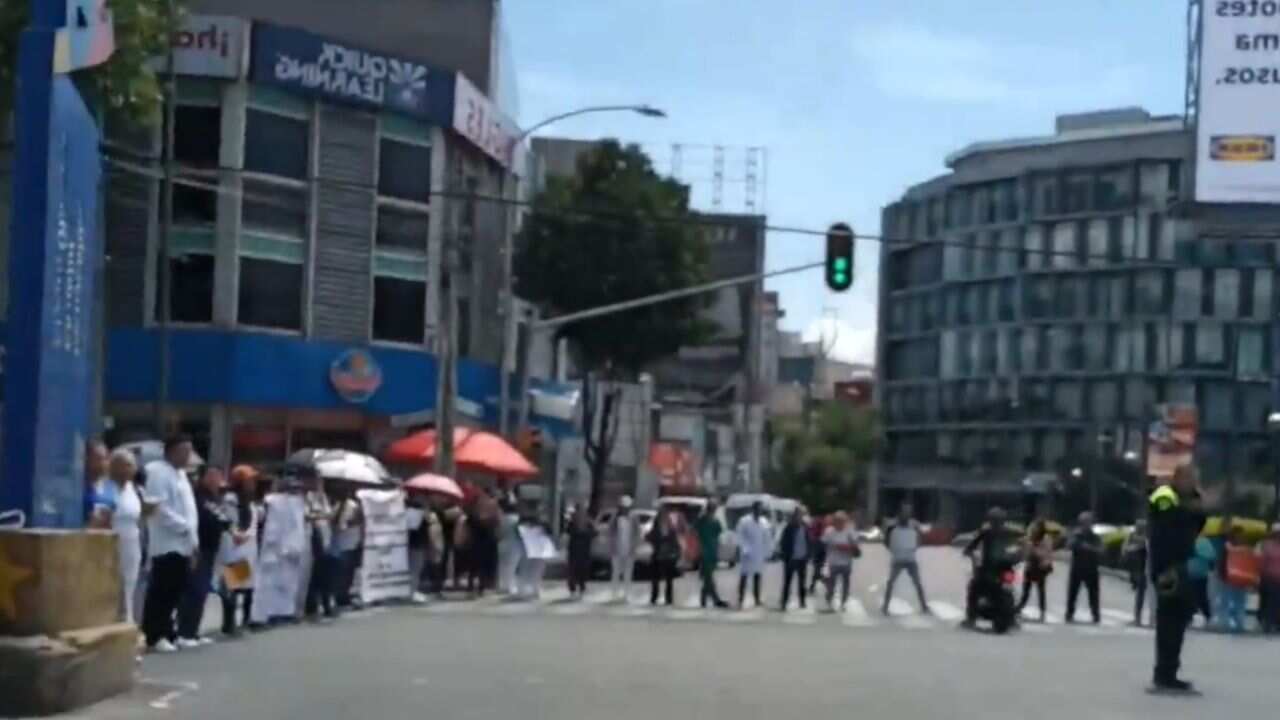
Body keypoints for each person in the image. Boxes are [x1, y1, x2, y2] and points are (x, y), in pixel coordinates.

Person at [1148, 464, 1210, 693]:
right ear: (1178, 478)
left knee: (1180, 619)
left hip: (1181, 564)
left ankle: (1170, 672)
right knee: (1168, 622)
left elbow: (1199, 521)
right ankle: (1163, 674)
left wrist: (1196, 500)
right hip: (1166, 566)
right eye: (1190, 479)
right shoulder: (1164, 494)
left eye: (1196, 479)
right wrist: (1192, 505)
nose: (1193, 483)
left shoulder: (1189, 500)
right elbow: (1170, 517)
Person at [140, 435, 199, 653]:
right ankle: (154, 634)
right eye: (184, 451)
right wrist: (183, 526)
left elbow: (189, 508)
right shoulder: (158, 472)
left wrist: (193, 538)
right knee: (162, 590)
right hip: (167, 542)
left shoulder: (181, 474)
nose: (188, 456)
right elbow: (159, 509)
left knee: (175, 590)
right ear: (171, 451)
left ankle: (167, 630)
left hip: (184, 542)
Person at [89, 449, 148, 624]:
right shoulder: (104, 487)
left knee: (129, 585)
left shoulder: (134, 489)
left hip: (132, 542)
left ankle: (127, 622)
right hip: (109, 542)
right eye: (126, 465)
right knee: (109, 586)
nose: (130, 469)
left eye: (132, 465)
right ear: (114, 466)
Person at [177, 466, 230, 647]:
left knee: (203, 591)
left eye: (218, 476)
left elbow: (224, 520)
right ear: (203, 477)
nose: (216, 479)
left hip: (212, 549)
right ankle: (184, 632)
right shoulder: (197, 497)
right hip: (198, 547)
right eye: (212, 475)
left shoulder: (216, 498)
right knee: (194, 589)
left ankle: (193, 631)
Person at [251, 476, 308, 626]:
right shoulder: (271, 502)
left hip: (287, 549)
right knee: (264, 584)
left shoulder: (297, 504)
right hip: (268, 547)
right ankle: (259, 616)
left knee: (285, 583)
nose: (295, 492)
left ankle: (281, 612)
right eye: (292, 489)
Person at [218, 465, 260, 636]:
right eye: (249, 480)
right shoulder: (230, 500)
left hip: (248, 548)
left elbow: (253, 523)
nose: (252, 484)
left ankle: (246, 619)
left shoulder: (250, 502)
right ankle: (229, 623)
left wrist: (247, 534)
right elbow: (230, 522)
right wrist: (238, 533)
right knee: (233, 586)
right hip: (235, 547)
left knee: (248, 587)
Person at [961, 506, 1015, 628]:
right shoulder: (1009, 532)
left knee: (974, 588)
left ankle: (971, 618)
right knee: (1009, 589)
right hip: (1007, 569)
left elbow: (970, 547)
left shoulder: (986, 532)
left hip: (989, 570)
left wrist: (970, 554)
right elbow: (1019, 546)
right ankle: (1012, 619)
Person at [882, 503, 930, 615]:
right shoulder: (892, 526)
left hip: (910, 559)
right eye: (904, 511)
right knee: (890, 582)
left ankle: (924, 606)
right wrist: (894, 549)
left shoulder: (914, 525)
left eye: (908, 511)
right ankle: (885, 606)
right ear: (900, 512)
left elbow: (919, 539)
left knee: (917, 583)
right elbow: (886, 541)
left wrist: (913, 547)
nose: (906, 514)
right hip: (897, 559)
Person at [1065, 511, 1102, 624]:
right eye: (1084, 522)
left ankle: (1095, 615)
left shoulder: (1095, 537)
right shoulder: (1076, 535)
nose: (1087, 524)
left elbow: (1101, 550)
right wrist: (1079, 544)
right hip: (1077, 568)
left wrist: (1088, 548)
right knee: (1073, 593)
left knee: (1093, 594)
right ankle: (1069, 614)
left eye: (1089, 522)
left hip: (1091, 568)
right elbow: (1069, 546)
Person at [735, 501, 771, 609]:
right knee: (744, 576)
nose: (759, 511)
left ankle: (757, 598)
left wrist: (768, 551)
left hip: (759, 553)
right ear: (753, 509)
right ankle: (740, 599)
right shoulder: (744, 521)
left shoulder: (764, 522)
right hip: (747, 553)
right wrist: (744, 548)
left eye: (761, 509)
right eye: (757, 509)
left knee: (757, 576)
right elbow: (739, 535)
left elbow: (767, 537)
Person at [1220, 526, 1256, 633]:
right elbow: (1222, 562)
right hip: (1231, 578)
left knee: (1238, 602)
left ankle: (1237, 624)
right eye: (1239, 535)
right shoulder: (1229, 547)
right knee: (1232, 601)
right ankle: (1232, 623)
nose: (1240, 537)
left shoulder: (1237, 547)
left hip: (1240, 579)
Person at [821, 511, 859, 611]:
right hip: (832, 562)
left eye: (842, 521)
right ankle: (829, 602)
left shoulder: (849, 531)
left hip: (846, 562)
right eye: (837, 521)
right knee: (830, 584)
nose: (839, 523)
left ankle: (843, 602)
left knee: (845, 584)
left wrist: (847, 547)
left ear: (845, 522)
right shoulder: (829, 531)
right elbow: (823, 543)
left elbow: (855, 546)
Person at [1017, 519, 1054, 622]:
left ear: (1041, 528)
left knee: (1041, 591)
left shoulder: (1046, 539)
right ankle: (1019, 608)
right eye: (1032, 527)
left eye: (1036, 527)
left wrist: (1034, 549)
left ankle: (1042, 611)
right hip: (1030, 567)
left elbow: (1046, 554)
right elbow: (1025, 552)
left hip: (1041, 568)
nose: (1033, 529)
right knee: (1026, 590)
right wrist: (1022, 546)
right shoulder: (1029, 538)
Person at [332, 488, 363, 608]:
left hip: (351, 542)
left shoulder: (354, 506)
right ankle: (339, 595)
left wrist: (351, 521)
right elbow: (333, 521)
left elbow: (357, 521)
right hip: (339, 543)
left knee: (348, 571)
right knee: (341, 571)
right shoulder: (338, 505)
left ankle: (344, 595)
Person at [694, 501, 729, 608]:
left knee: (708, 579)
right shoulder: (702, 520)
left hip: (712, 552)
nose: (712, 511)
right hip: (704, 552)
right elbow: (695, 532)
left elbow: (719, 533)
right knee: (708, 578)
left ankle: (704, 599)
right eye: (711, 508)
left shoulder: (715, 521)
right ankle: (716, 600)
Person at [609, 496, 642, 601]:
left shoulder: (634, 517)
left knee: (628, 573)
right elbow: (610, 531)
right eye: (623, 507)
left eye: (626, 507)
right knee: (616, 572)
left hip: (629, 550)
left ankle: (626, 594)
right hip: (616, 549)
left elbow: (638, 533)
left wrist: (635, 546)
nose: (625, 509)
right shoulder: (615, 517)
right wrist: (611, 545)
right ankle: (614, 593)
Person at [777, 507, 810, 611]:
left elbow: (808, 540)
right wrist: (785, 555)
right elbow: (783, 542)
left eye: (801, 515)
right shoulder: (789, 527)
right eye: (798, 515)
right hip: (791, 558)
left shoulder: (805, 526)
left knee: (802, 582)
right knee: (787, 582)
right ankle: (784, 602)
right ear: (794, 516)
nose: (799, 517)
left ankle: (802, 601)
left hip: (802, 558)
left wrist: (808, 554)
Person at [647, 509, 681, 606]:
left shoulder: (671, 529)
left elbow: (675, 542)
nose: (663, 519)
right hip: (657, 555)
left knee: (669, 579)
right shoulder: (655, 529)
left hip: (668, 556)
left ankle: (668, 599)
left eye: (664, 517)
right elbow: (649, 538)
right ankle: (654, 597)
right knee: (655, 578)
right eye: (661, 517)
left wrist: (676, 553)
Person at [1123, 519, 1150, 626]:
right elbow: (1125, 547)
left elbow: (1146, 548)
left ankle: (1139, 618)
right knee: (1139, 594)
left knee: (1141, 594)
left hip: (1143, 569)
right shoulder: (1132, 535)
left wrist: (1134, 547)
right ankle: (1137, 618)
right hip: (1134, 568)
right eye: (1138, 526)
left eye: (1141, 527)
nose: (1138, 528)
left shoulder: (1147, 538)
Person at [565, 507, 596, 598]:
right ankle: (572, 589)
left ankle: (582, 588)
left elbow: (594, 533)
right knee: (572, 570)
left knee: (583, 570)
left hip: (584, 550)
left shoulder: (588, 523)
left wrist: (591, 526)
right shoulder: (572, 523)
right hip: (574, 550)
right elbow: (568, 531)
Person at [1260, 523, 1280, 634]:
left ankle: (1274, 623)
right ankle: (1268, 623)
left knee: (1275, 602)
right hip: (1269, 578)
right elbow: (1262, 562)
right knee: (1270, 601)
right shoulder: (1267, 545)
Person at [807, 514, 828, 594]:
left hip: (820, 552)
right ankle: (824, 583)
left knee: (817, 571)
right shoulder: (818, 525)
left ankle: (813, 587)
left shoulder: (819, 526)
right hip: (818, 552)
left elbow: (813, 536)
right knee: (817, 571)